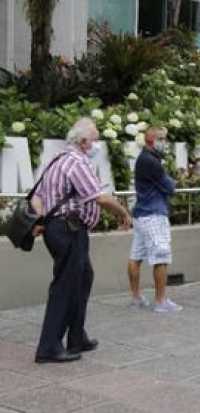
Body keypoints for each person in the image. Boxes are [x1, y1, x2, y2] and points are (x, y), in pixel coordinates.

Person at [30, 118, 132, 363]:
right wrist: (123, 213)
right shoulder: (77, 163)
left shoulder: (57, 160)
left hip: (63, 230)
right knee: (65, 286)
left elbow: (36, 196)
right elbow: (99, 198)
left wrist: (44, 219)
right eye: (95, 139)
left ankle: (77, 336)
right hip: (69, 231)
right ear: (84, 141)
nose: (96, 144)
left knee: (83, 278)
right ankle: (48, 347)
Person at [127, 127, 181, 313]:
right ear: (150, 139)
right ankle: (160, 301)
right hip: (153, 214)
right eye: (161, 139)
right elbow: (169, 186)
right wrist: (175, 181)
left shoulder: (144, 158)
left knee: (136, 256)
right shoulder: (151, 161)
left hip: (141, 214)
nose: (164, 142)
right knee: (161, 256)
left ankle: (136, 298)